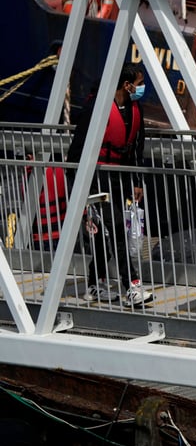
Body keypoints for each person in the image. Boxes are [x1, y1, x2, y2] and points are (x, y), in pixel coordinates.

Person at [66, 62, 154, 307]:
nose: (142, 88)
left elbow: (137, 145)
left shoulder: (136, 109)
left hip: (118, 178)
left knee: (109, 234)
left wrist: (137, 181)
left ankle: (94, 285)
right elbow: (77, 149)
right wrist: (77, 186)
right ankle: (133, 286)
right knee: (115, 228)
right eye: (139, 83)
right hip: (95, 179)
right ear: (126, 85)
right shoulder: (98, 107)